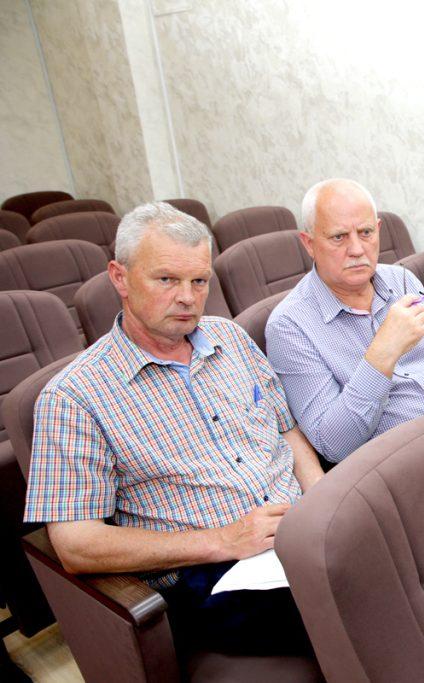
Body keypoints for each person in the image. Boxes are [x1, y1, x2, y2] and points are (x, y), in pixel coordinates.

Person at [23, 202, 324, 658]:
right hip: (209, 570)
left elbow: (288, 432)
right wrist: (222, 541)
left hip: (300, 533)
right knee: (365, 607)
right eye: (166, 280)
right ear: (120, 278)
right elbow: (76, 545)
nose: (187, 297)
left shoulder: (232, 339)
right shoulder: (74, 397)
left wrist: (324, 506)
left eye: (199, 281)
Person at [266, 179, 424, 463]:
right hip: (401, 469)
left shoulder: (403, 281)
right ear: (309, 244)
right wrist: (382, 354)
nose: (357, 249)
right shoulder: (289, 327)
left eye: (366, 232)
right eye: (339, 237)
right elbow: (333, 445)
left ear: (379, 230)